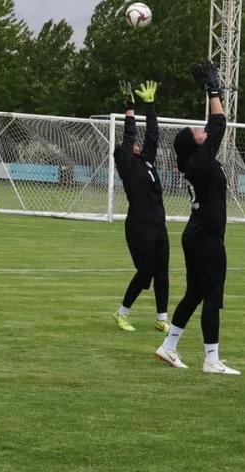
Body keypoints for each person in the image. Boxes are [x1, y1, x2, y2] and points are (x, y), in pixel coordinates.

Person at [155, 60, 239, 375]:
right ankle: (211, 359)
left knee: (196, 293)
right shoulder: (200, 163)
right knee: (213, 297)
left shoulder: (195, 162)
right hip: (206, 238)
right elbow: (219, 123)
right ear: (194, 145)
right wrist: (211, 87)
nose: (202, 131)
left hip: (197, 234)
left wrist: (211, 88)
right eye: (197, 132)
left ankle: (168, 347)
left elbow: (214, 125)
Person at [112, 80, 171, 333]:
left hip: (158, 225)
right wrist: (130, 107)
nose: (135, 145)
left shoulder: (146, 161)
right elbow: (130, 135)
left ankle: (162, 318)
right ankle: (122, 312)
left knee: (162, 273)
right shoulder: (126, 165)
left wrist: (151, 106)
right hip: (138, 226)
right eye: (129, 146)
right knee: (145, 271)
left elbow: (153, 135)